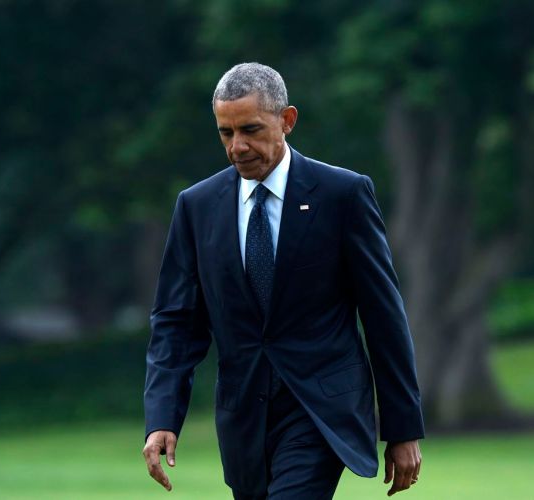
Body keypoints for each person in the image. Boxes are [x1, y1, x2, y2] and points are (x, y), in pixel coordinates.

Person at [143, 62, 424, 499]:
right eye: (226, 133)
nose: (238, 147)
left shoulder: (342, 195)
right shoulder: (196, 207)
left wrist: (402, 428)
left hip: (321, 410)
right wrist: (162, 417)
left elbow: (383, 314)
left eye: (251, 130)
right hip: (244, 419)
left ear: (287, 120)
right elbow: (176, 322)